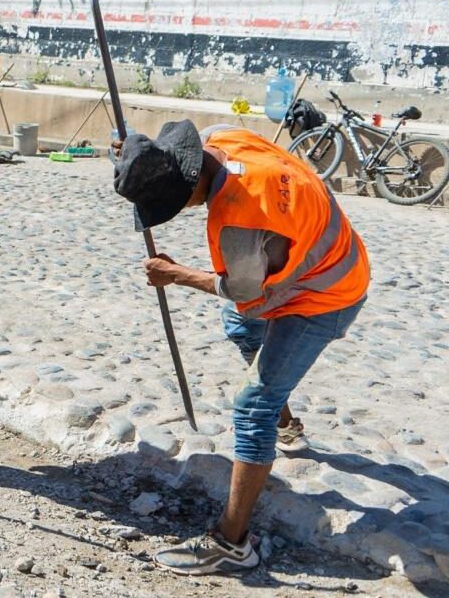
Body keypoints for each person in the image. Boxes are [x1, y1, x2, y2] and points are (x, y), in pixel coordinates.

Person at [112, 121, 369, 575]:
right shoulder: (222, 138)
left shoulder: (239, 223)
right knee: (241, 327)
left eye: (172, 203)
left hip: (325, 292)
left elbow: (240, 288)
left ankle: (232, 544)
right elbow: (245, 303)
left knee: (252, 407)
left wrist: (177, 274)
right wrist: (140, 154)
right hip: (320, 252)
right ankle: (284, 421)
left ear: (191, 185)